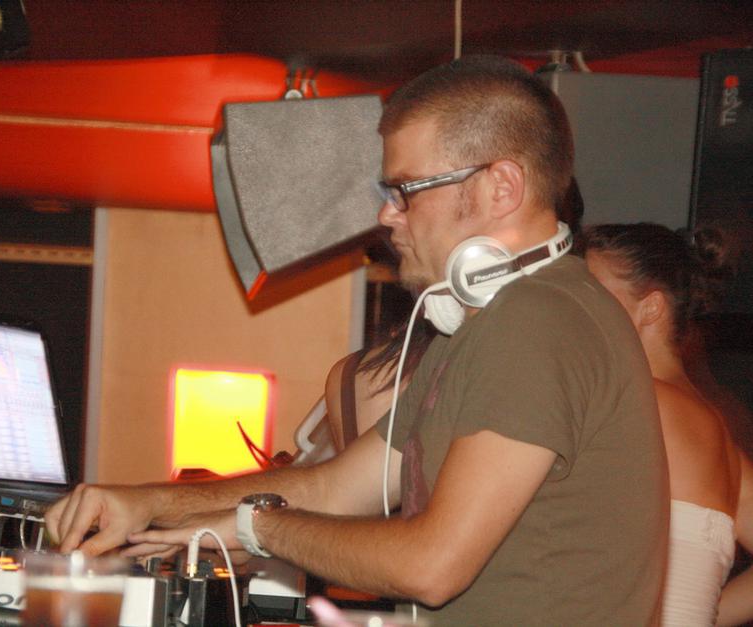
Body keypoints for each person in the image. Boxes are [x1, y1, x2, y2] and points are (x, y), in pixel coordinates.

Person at [45, 55, 668, 624]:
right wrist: (149, 503)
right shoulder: (484, 323)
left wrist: (257, 527)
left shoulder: (538, 321)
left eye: (406, 190)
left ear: (499, 188)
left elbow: (431, 566)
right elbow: (335, 488)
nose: (387, 214)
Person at [581, 223, 753, 626]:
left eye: (591, 294)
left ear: (651, 308)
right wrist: (698, 612)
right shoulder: (722, 445)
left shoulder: (630, 402)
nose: (573, 310)